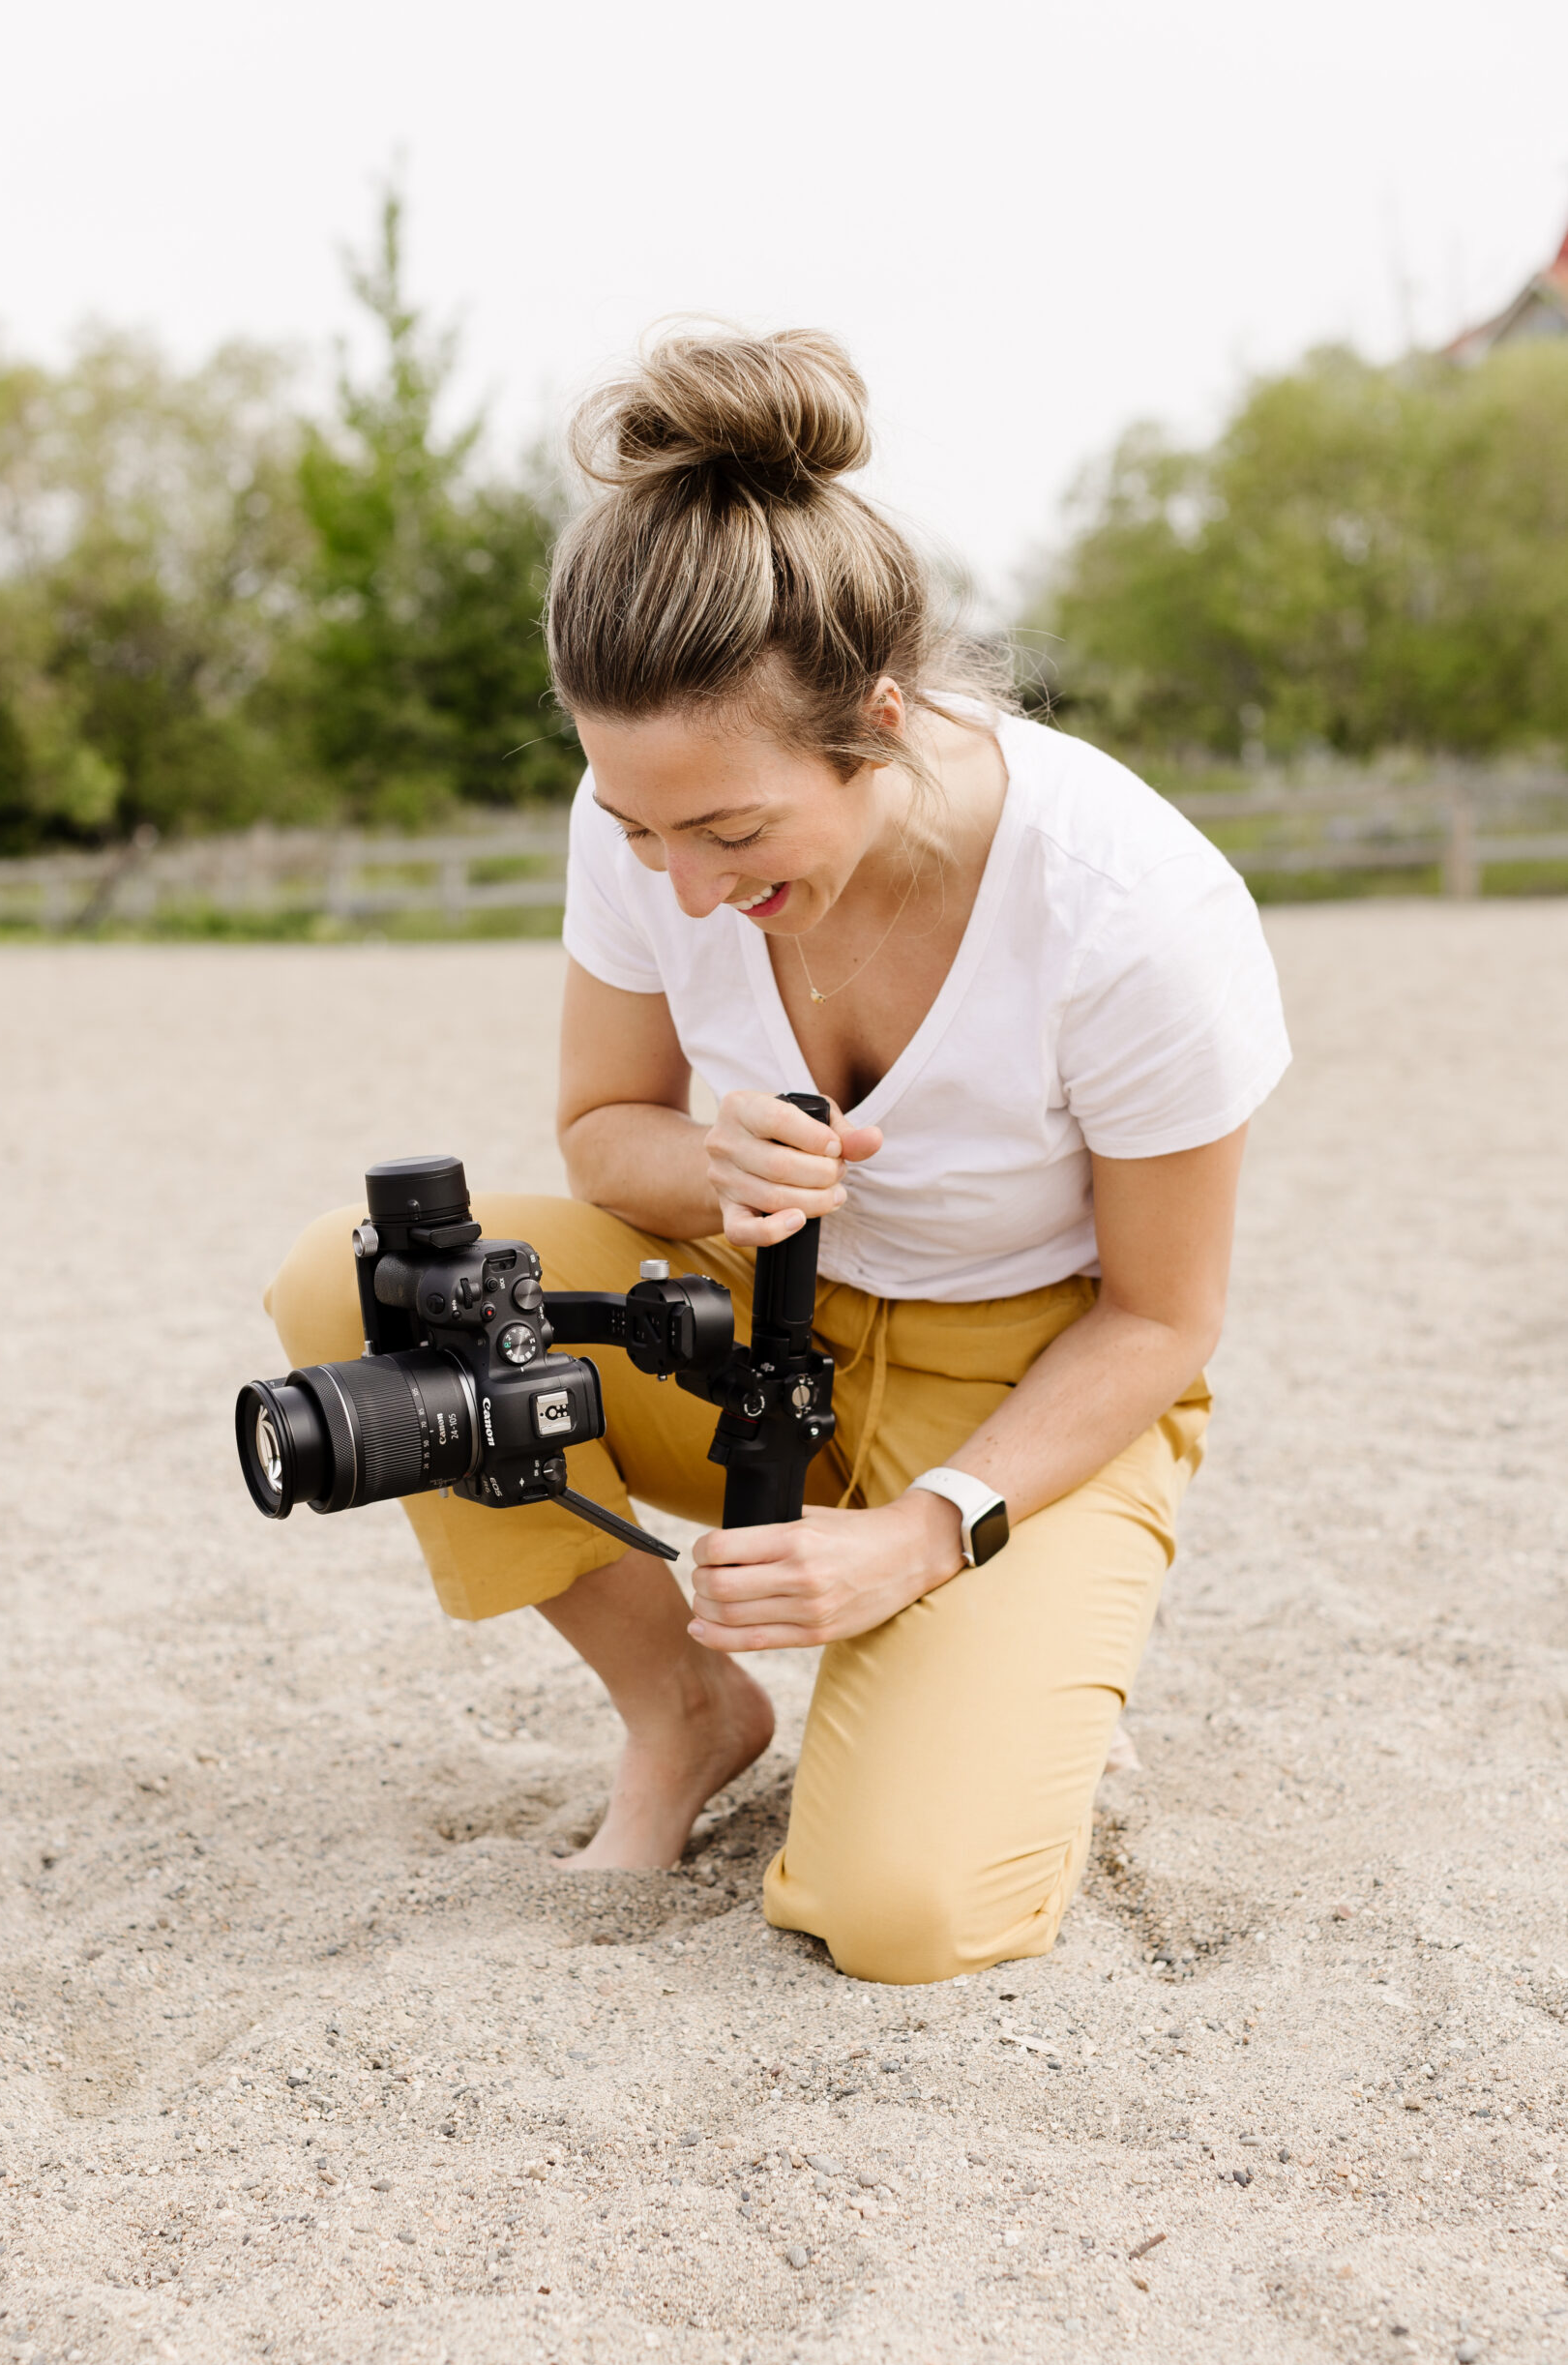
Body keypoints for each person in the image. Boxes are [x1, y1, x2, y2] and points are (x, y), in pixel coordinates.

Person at [266, 328, 1289, 1986]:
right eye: (634, 829)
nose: (678, 887)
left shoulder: (1133, 912)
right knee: (362, 1282)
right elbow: (606, 1131)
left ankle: (978, 1650)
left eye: (732, 834)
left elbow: (1165, 1321)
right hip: (746, 1323)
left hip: (1024, 1380)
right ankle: (684, 1704)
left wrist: (920, 1532)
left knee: (903, 1918)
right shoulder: (655, 817)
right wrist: (711, 1174)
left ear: (878, 724)